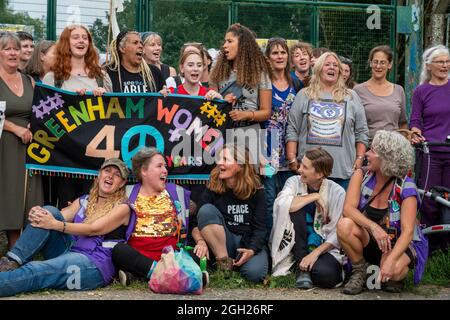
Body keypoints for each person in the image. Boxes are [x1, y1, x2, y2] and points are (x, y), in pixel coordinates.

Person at [0, 158, 133, 297]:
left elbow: (94, 229)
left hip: (94, 264)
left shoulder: (122, 207)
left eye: (117, 175)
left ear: (122, 183)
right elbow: (56, 217)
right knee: (48, 211)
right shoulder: (84, 200)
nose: (110, 176)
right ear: (99, 174)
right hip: (70, 250)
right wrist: (38, 214)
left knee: (37, 270)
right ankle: (11, 262)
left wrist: (55, 224)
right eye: (107, 171)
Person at [337, 130, 428, 295]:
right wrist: (373, 227)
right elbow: (348, 210)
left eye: (372, 151)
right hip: (370, 238)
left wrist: (391, 259)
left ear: (386, 158)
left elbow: (408, 232)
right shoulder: (361, 175)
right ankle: (360, 270)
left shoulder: (406, 186)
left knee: (394, 270)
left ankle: (393, 274)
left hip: (398, 241)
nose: (366, 154)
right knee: (344, 225)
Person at [111, 147, 209, 286]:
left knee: (198, 255)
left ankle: (144, 275)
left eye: (165, 166)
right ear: (144, 171)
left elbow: (193, 222)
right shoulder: (126, 193)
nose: (165, 170)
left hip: (172, 256)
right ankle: (178, 276)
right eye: (159, 166)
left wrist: (200, 241)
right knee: (119, 251)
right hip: (140, 255)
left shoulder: (177, 192)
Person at [42, 24, 113, 209]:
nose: (81, 41)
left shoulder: (101, 77)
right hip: (65, 155)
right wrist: (71, 102)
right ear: (66, 43)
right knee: (65, 202)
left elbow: (115, 114)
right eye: (75, 37)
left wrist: (103, 99)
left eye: (85, 37)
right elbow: (46, 116)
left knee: (93, 204)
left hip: (95, 155)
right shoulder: (53, 78)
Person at [286, 51, 369, 190]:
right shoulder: (304, 95)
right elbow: (292, 129)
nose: (332, 67)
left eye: (336, 65)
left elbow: (362, 131)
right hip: (309, 171)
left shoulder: (351, 96)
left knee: (338, 211)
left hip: (342, 172)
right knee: (307, 210)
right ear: (318, 68)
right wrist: (292, 158)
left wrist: (360, 158)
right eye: (327, 64)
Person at [270, 147, 346, 289]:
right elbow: (282, 204)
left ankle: (303, 266)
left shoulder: (337, 192)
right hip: (296, 244)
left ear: (319, 174)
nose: (299, 169)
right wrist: (314, 196)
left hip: (323, 247)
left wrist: (315, 254)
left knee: (327, 276)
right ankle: (301, 265)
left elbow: (337, 233)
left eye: (305, 167)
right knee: (293, 205)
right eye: (300, 164)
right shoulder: (294, 181)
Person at [196, 144, 269, 283]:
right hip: (223, 242)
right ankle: (224, 264)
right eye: (219, 159)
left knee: (254, 274)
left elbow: (261, 228)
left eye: (225, 159)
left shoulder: (257, 190)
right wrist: (201, 241)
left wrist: (252, 250)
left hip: (246, 242)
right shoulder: (213, 186)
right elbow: (197, 222)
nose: (219, 163)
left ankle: (239, 262)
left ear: (240, 165)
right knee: (206, 210)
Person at [0, 32, 43, 250]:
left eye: (16, 49)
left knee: (27, 195)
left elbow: (40, 110)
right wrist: (15, 128)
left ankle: (20, 250)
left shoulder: (29, 80)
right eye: (7, 48)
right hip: (4, 144)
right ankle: (9, 247)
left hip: (28, 145)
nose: (13, 53)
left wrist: (32, 125)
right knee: (7, 192)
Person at [410, 45, 450, 251]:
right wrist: (416, 133)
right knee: (429, 200)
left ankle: (447, 245)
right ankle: (431, 246)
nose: (445, 65)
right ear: (429, 65)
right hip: (431, 152)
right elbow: (415, 121)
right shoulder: (421, 91)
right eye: (440, 62)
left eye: (447, 61)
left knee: (449, 199)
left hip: (449, 150)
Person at [262, 37, 297, 231]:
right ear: (268, 57)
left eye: (283, 52)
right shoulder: (263, 82)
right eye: (275, 52)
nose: (280, 56)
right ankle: (268, 244)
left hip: (290, 152)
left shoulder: (296, 82)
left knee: (289, 199)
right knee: (268, 198)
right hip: (267, 151)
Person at [210, 23, 272, 130]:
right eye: (225, 41)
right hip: (222, 130)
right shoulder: (217, 70)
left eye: (229, 41)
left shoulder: (260, 73)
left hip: (251, 133)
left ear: (243, 45)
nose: (224, 45)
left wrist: (247, 115)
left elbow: (266, 112)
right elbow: (211, 108)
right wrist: (223, 102)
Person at [354, 45, 407, 145]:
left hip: (393, 149)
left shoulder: (399, 90)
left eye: (382, 62)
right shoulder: (358, 91)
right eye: (375, 62)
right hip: (368, 148)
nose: (378, 66)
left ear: (389, 65)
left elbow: (403, 123)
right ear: (370, 63)